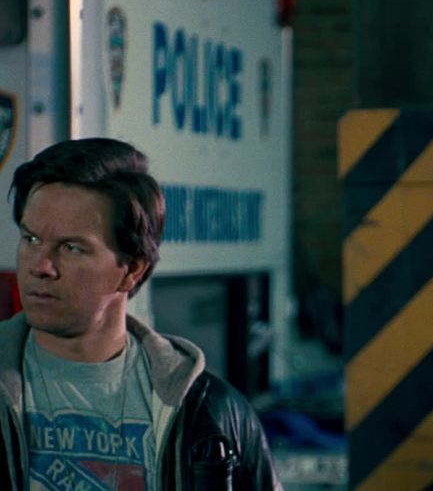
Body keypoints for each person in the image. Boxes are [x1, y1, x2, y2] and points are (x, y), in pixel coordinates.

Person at [0, 138, 283, 490]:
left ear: (132, 270)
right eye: (31, 240)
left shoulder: (212, 415)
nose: (40, 266)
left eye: (71, 248)